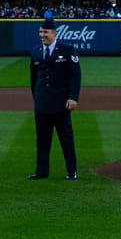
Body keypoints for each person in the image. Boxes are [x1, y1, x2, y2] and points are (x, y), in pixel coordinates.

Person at [29, 18, 81, 180]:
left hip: (60, 104)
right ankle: (41, 171)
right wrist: (36, 98)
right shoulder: (36, 51)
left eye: (45, 32)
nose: (41, 35)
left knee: (66, 139)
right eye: (40, 32)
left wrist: (73, 97)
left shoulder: (67, 50)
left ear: (54, 33)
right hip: (42, 104)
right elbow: (33, 78)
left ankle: (71, 172)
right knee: (42, 140)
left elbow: (75, 75)